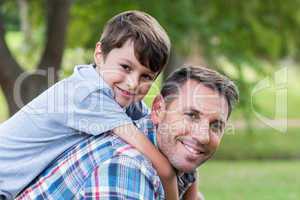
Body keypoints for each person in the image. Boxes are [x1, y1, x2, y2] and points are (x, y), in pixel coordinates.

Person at [0, 10, 179, 200]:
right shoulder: (89, 94)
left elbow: (156, 128)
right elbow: (164, 169)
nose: (133, 83)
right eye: (125, 67)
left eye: (146, 77)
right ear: (99, 54)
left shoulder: (119, 94)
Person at [16, 66, 239, 199]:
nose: (202, 136)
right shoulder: (126, 167)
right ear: (159, 109)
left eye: (216, 125)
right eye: (191, 115)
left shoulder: (178, 156)